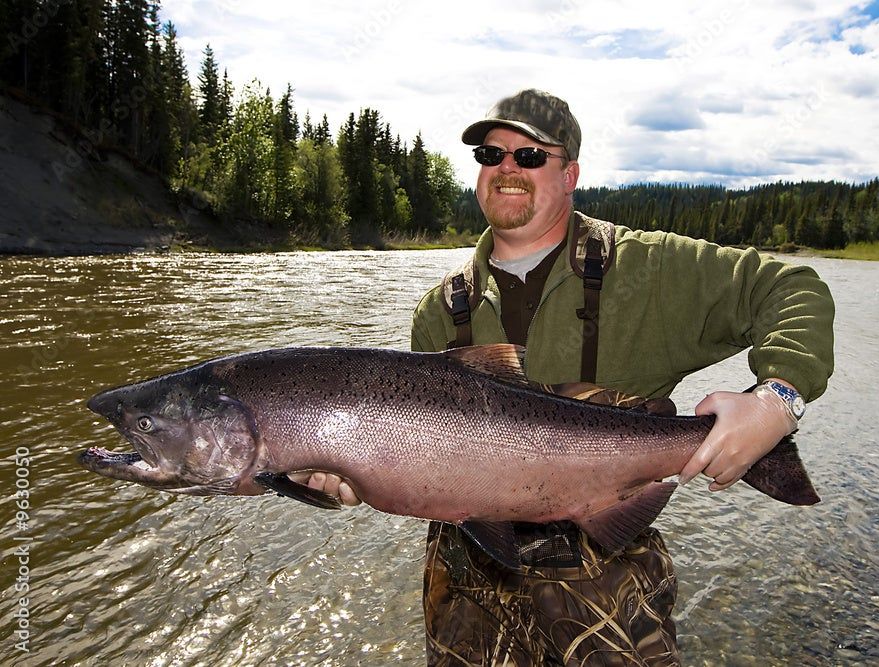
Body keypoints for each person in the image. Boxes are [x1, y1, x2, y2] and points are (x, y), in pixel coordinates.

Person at [306, 89, 835, 665]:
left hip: (609, 603)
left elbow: (792, 288)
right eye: (490, 155)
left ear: (570, 173)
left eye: (529, 156)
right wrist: (350, 476)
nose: (506, 168)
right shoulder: (439, 311)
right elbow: (416, 462)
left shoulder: (647, 270)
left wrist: (776, 399)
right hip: (466, 602)